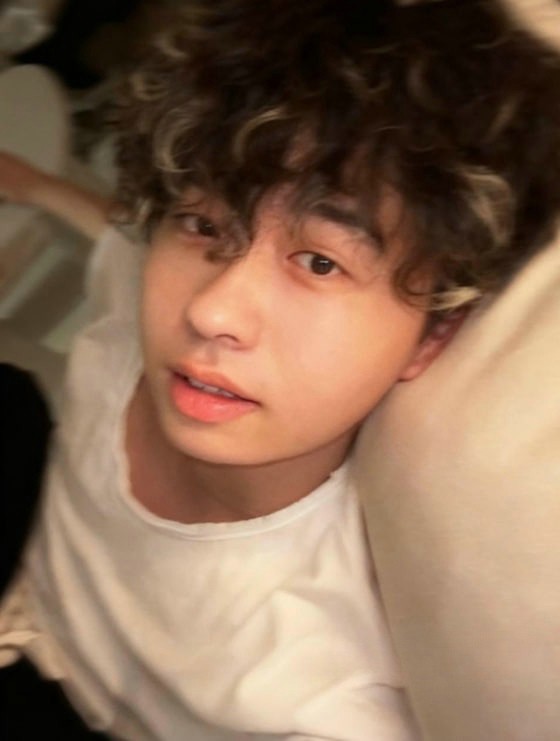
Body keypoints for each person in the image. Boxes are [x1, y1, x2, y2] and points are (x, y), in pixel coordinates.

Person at [1, 0, 560, 738]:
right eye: (204, 224)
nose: (212, 311)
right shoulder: (140, 283)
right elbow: (120, 242)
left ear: (434, 333)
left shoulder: (312, 698)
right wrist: (38, 186)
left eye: (320, 262)